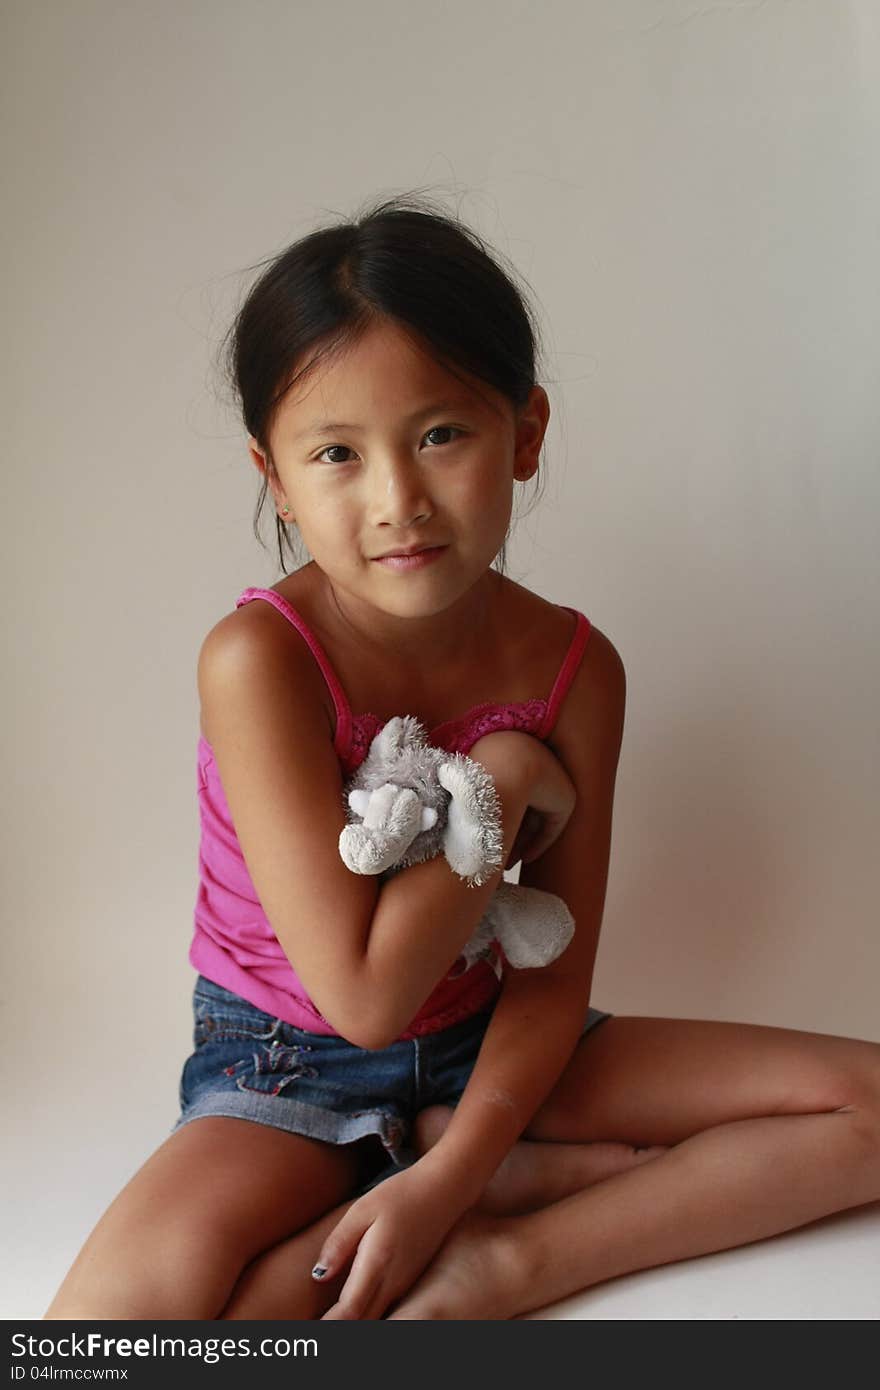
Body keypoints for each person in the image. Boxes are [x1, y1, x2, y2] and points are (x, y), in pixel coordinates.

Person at [46, 193, 880, 1322]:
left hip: (492, 1051)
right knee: (97, 1344)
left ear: (523, 433)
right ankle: (410, 1177)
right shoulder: (259, 661)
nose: (398, 501)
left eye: (441, 433)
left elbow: (551, 969)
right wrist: (503, 778)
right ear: (273, 477)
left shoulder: (577, 667)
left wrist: (456, 1178)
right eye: (335, 453)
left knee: (866, 1108)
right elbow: (363, 998)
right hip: (282, 1068)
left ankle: (514, 1250)